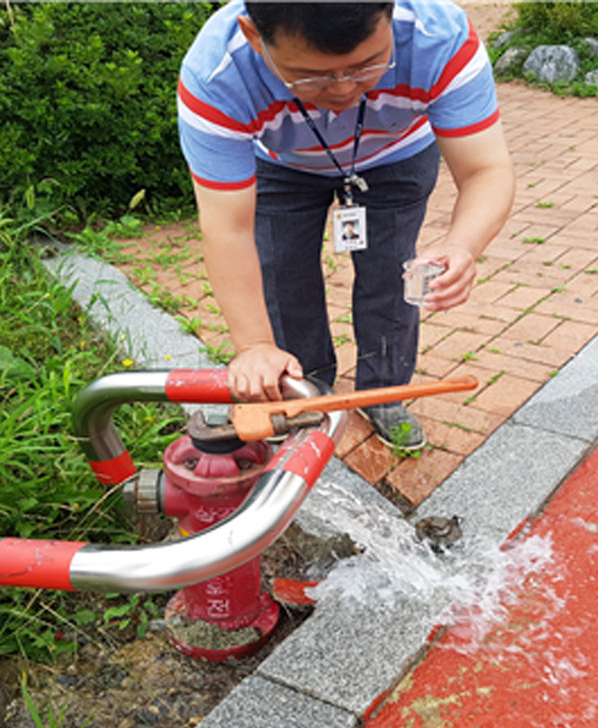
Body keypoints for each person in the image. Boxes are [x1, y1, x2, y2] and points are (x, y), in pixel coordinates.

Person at [177, 0, 513, 449]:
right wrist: (254, 345)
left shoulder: (441, 38)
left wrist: (463, 245)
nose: (343, 89)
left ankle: (384, 394)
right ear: (256, 37)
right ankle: (307, 394)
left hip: (398, 154)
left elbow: (485, 170)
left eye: (369, 64)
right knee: (283, 276)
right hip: (280, 164)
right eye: (310, 75)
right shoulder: (218, 73)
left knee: (393, 275)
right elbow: (227, 228)